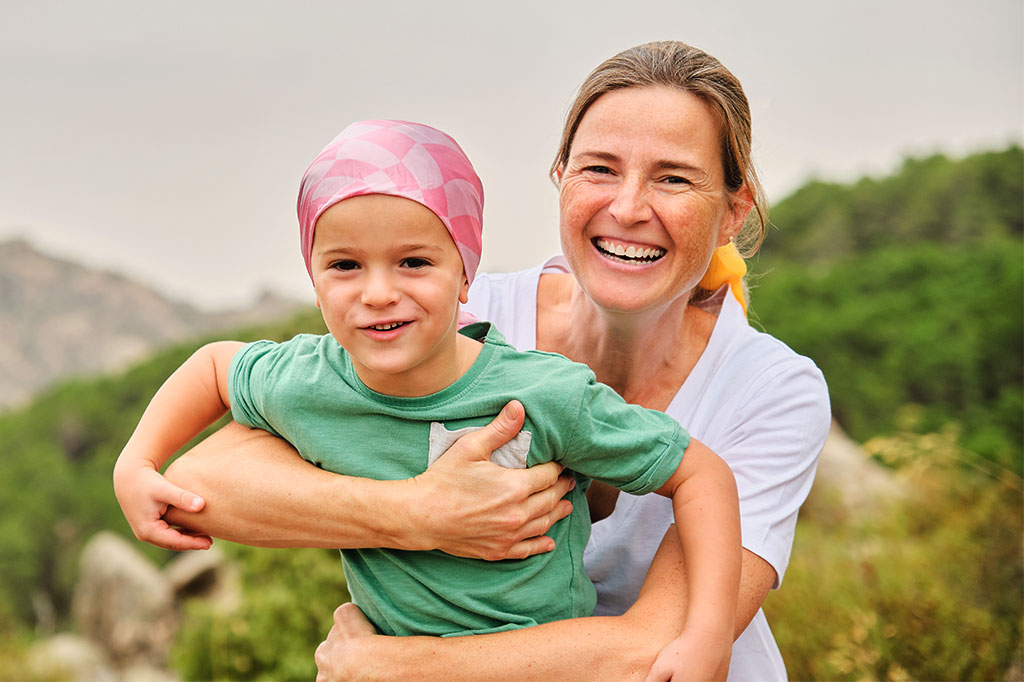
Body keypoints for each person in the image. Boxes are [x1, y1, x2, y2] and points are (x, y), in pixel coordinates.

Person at [160, 41, 830, 681]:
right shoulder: (456, 318)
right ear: (560, 178)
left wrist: (386, 669)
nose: (627, 208)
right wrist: (420, 512)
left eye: (674, 178)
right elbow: (201, 482)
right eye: (599, 168)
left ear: (731, 212)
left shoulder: (770, 390)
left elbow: (649, 656)